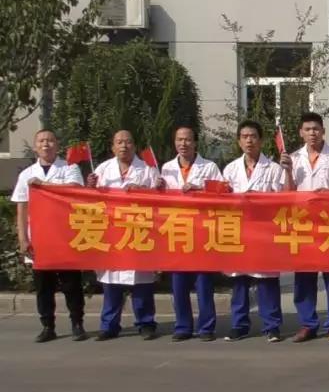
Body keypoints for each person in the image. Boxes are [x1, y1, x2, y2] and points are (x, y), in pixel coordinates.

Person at [281, 112, 329, 344]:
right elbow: (286, 194)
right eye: (307, 129)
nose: (312, 133)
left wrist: (328, 193)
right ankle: (308, 324)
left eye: (316, 129)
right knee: (304, 276)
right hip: (303, 224)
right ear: (301, 133)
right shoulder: (293, 158)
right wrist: (287, 171)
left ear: (323, 131)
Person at [13, 129, 87, 342]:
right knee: (43, 287)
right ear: (35, 146)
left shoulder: (69, 168)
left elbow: (74, 189)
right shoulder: (26, 174)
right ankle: (48, 326)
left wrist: (42, 185)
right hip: (39, 238)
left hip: (66, 237)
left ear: (57, 144)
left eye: (50, 140)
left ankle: (77, 323)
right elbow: (22, 208)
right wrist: (23, 239)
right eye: (41, 141)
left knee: (71, 284)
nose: (46, 144)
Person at [85, 130, 160, 341]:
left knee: (141, 281)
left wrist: (143, 190)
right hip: (112, 234)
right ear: (113, 147)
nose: (124, 146)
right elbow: (91, 201)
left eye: (128, 142)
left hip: (139, 232)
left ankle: (146, 323)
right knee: (111, 282)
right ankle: (109, 325)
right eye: (119, 142)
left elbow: (159, 199)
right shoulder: (102, 169)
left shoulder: (147, 169)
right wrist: (90, 187)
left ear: (134, 146)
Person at [221, 120, 286, 343]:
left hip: (264, 231)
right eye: (245, 137)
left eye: (253, 136)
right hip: (238, 230)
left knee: (266, 280)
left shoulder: (274, 169)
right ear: (239, 141)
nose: (249, 140)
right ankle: (239, 325)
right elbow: (222, 200)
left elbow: (283, 200)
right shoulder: (230, 169)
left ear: (261, 140)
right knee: (239, 280)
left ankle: (272, 326)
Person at [157, 126, 224, 342]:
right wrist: (157, 188)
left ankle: (206, 327)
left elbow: (222, 193)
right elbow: (160, 202)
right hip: (177, 231)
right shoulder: (167, 168)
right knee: (179, 284)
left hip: (202, 231)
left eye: (187, 140)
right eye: (179, 140)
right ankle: (183, 326)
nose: (183, 144)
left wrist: (199, 189)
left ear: (195, 143)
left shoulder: (209, 167)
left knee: (203, 283)